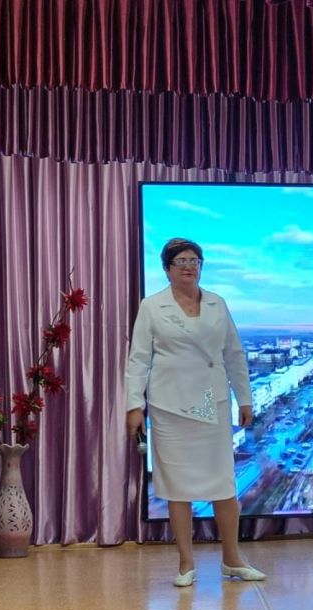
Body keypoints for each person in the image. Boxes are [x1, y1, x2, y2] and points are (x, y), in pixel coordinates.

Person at [125, 237, 265, 586]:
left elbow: (234, 353)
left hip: (211, 402)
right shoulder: (152, 306)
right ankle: (186, 563)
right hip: (170, 406)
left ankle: (232, 559)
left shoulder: (217, 303)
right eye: (181, 261)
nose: (189, 266)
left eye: (195, 260)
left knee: (223, 484)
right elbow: (139, 360)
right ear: (167, 269)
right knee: (178, 488)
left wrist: (244, 398)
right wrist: (134, 405)